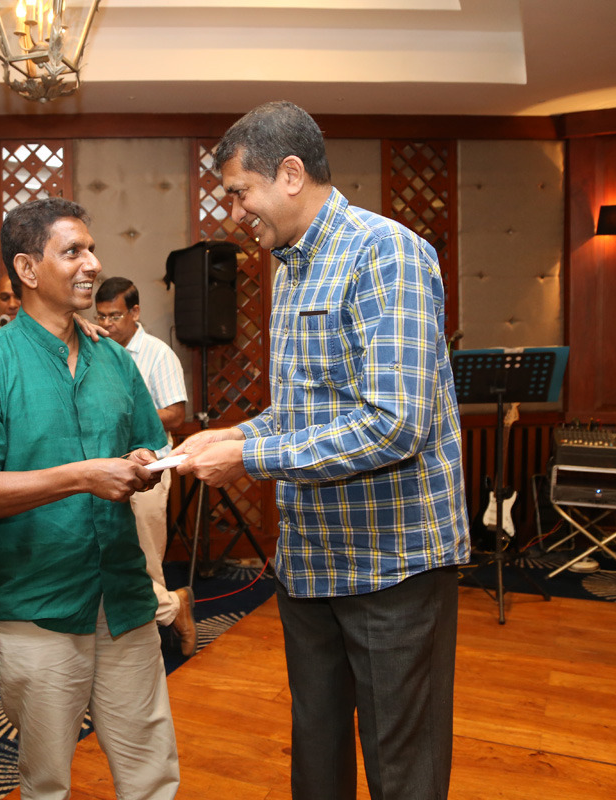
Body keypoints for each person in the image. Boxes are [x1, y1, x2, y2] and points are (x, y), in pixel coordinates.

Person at [174, 101, 470, 800]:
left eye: (240, 192)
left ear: (290, 173)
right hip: (310, 562)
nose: (235, 213)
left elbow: (394, 425)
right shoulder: (288, 270)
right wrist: (238, 435)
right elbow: (303, 412)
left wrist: (249, 460)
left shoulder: (385, 252)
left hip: (392, 565)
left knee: (402, 769)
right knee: (317, 755)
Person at [0, 198, 180, 800]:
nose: (93, 264)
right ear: (27, 269)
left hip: (124, 597)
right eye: (73, 251)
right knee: (46, 779)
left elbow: (147, 444)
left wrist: (143, 463)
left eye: (91, 250)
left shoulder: (115, 359)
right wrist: (82, 476)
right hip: (37, 606)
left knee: (152, 771)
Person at [94, 276, 197, 656]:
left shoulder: (157, 354)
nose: (107, 324)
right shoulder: (96, 350)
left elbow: (176, 414)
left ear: (135, 312)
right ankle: (172, 607)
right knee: (113, 558)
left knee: (147, 561)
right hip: (105, 470)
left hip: (149, 472)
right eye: (101, 316)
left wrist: (125, 418)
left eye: (115, 316)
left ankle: (154, 640)